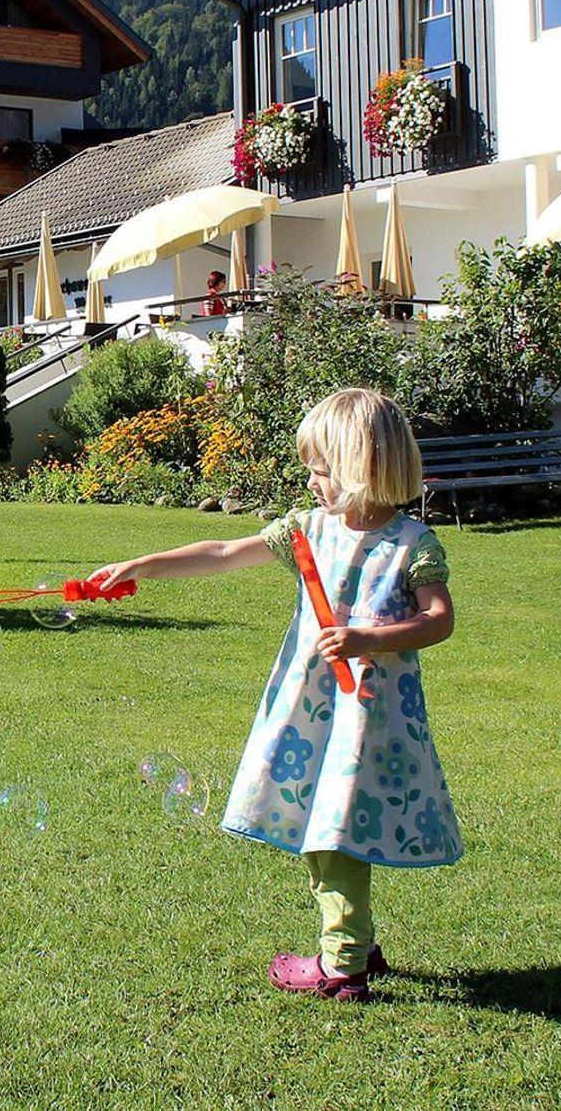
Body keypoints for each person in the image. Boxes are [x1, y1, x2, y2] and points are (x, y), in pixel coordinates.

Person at [88, 387, 460, 1002]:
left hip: (369, 719)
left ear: (361, 466)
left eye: (321, 469)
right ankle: (356, 941)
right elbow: (223, 552)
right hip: (311, 711)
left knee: (334, 831)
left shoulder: (411, 544)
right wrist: (142, 564)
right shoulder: (307, 531)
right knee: (321, 819)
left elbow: (439, 620)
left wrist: (367, 638)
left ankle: (342, 966)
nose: (311, 481)